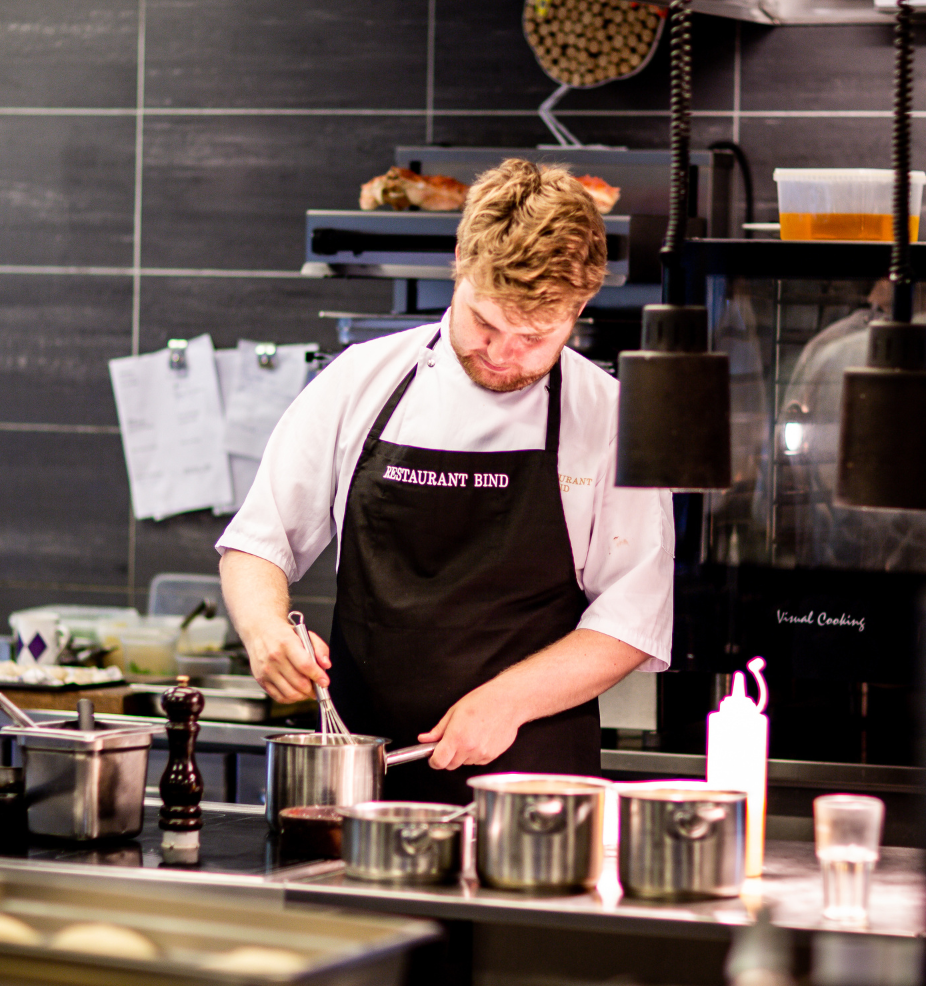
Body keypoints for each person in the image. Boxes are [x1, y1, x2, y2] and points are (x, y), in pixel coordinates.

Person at [215, 159, 674, 803]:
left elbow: (632, 619)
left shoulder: (609, 417)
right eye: (486, 323)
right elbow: (258, 542)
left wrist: (509, 700)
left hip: (531, 792)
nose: (503, 354)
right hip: (361, 778)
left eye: (535, 337)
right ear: (460, 260)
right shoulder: (361, 382)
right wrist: (265, 628)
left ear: (580, 305)